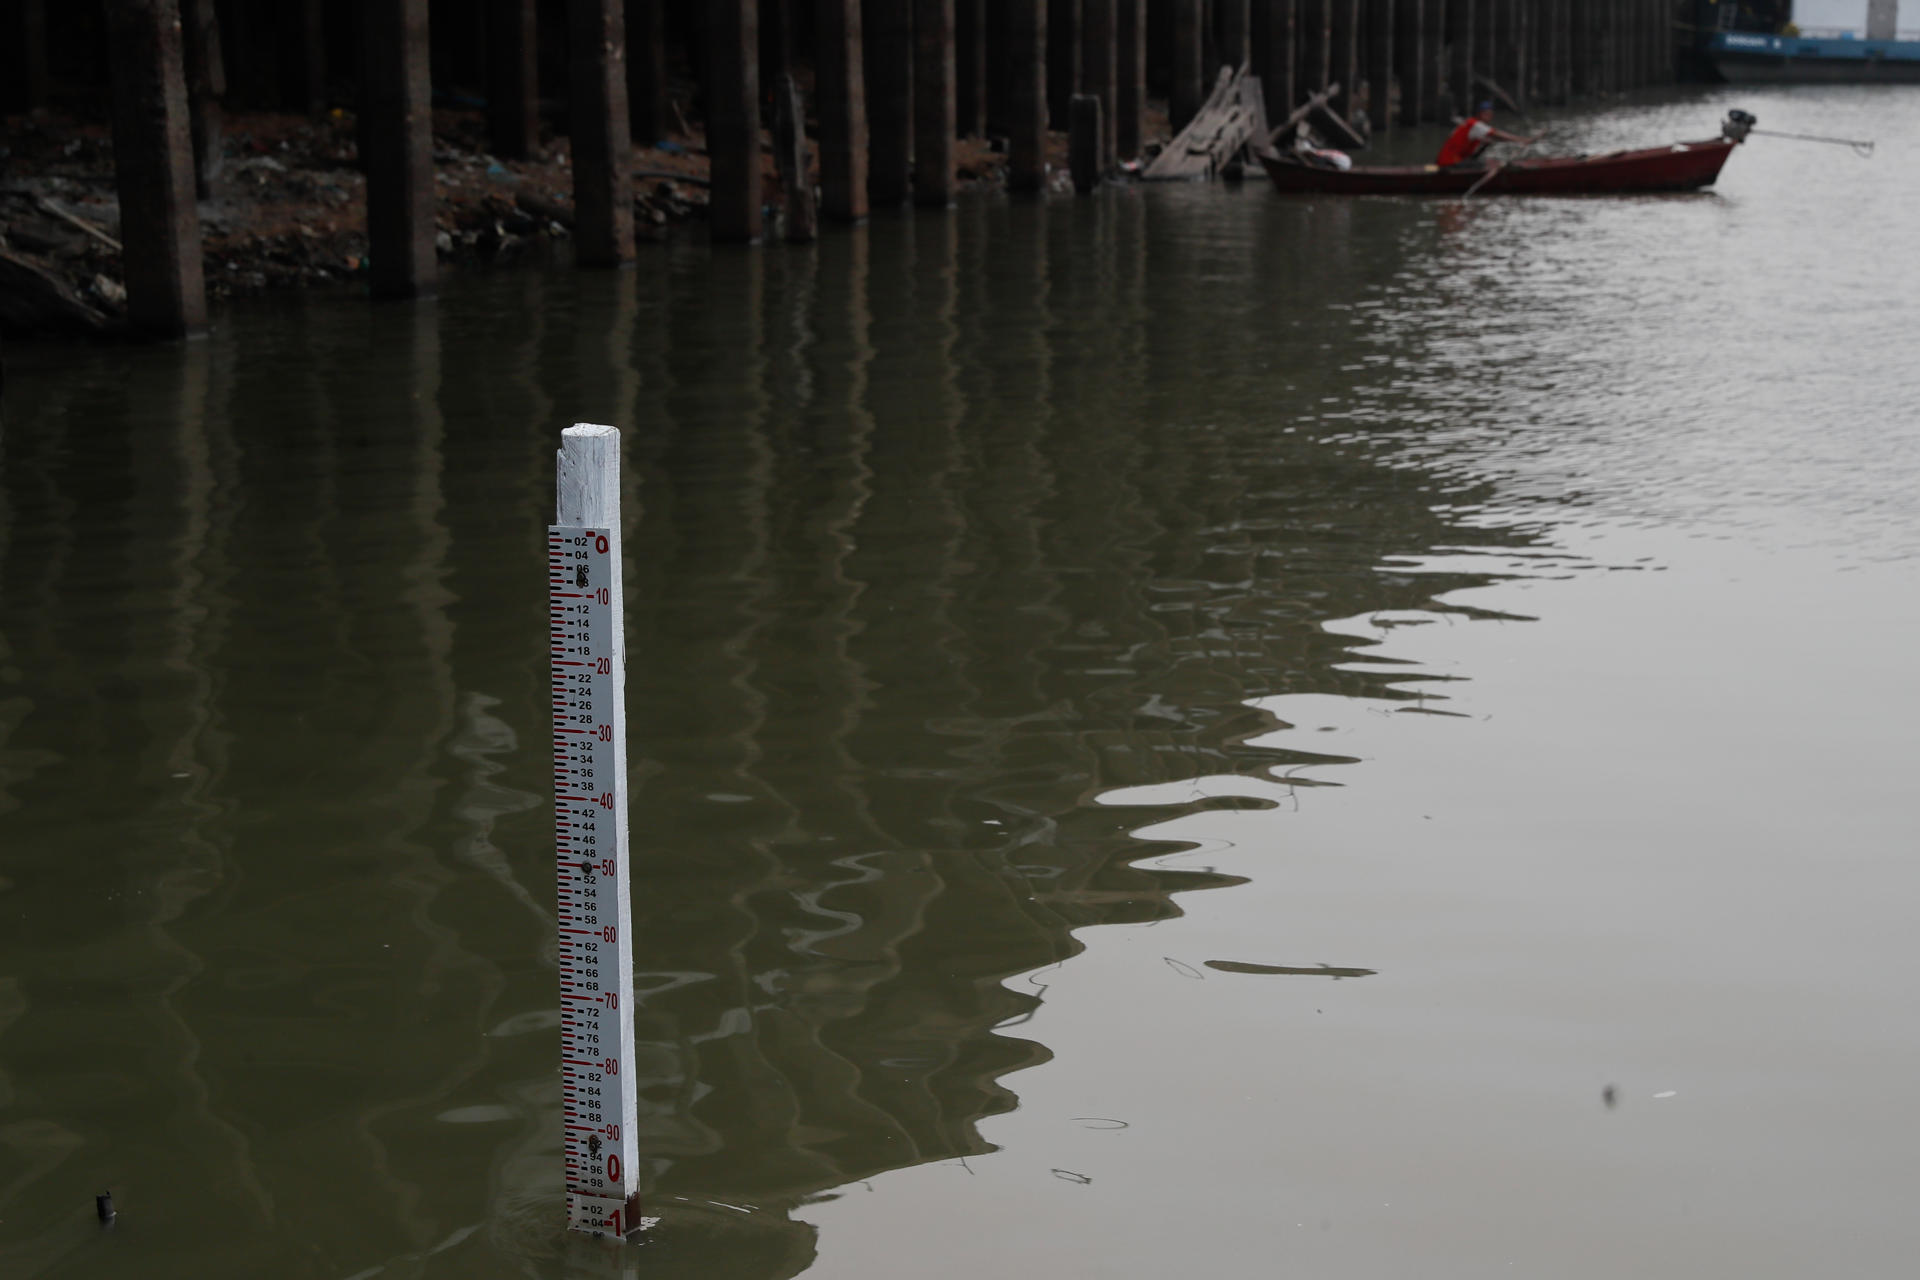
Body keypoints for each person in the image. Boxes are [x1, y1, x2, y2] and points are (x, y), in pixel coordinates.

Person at [1436, 102, 1537, 168]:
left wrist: (1517, 142)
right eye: (1487, 114)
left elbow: (1495, 138)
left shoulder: (1471, 125)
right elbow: (1497, 134)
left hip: (1449, 161)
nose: (1489, 117)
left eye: (1490, 115)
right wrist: (1522, 140)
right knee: (1482, 165)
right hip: (1449, 163)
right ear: (1480, 114)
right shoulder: (1476, 125)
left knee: (1487, 157)